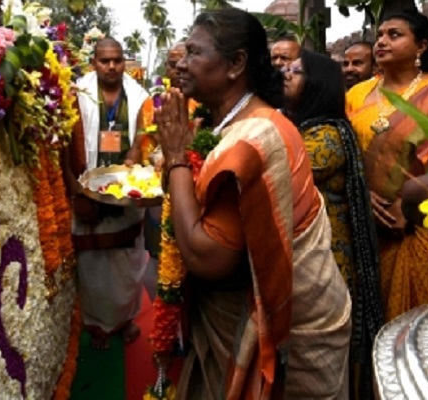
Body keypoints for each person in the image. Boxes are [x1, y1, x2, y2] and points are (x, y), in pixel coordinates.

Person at [155, 9, 351, 399]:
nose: (182, 61)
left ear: (236, 64)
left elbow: (207, 258)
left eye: (195, 52)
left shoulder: (252, 141)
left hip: (294, 334)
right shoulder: (229, 124)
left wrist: (176, 155)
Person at [346, 8, 428, 322]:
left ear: (421, 46)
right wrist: (362, 196)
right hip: (364, 226)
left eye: (394, 35)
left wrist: (408, 203)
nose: (382, 41)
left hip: (417, 227)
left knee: (413, 325)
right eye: (380, 35)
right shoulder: (356, 94)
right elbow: (344, 155)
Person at [283, 49, 383, 400]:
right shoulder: (300, 128)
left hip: (329, 263)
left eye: (295, 71)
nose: (285, 74)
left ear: (316, 85)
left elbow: (277, 172)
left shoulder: (326, 137)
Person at [62, 38, 150, 349]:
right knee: (93, 270)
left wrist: (135, 153)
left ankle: (125, 321)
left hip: (126, 195)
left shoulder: (139, 96)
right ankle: (97, 326)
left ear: (124, 61)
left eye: (117, 60)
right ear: (93, 63)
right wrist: (77, 194)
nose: (111, 66)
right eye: (104, 61)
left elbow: (143, 134)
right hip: (88, 196)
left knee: (128, 267)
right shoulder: (76, 95)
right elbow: (63, 147)